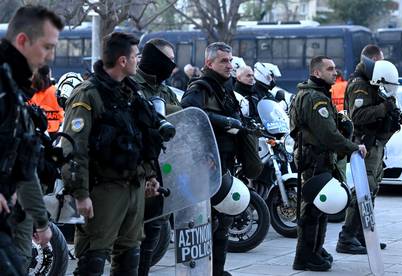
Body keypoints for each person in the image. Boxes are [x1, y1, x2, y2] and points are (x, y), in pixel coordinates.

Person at [61, 32, 165, 275]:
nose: (138, 61)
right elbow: (73, 147)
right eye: (135, 56)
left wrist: (150, 175)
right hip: (103, 191)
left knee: (130, 259)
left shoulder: (131, 93)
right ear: (122, 61)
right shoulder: (88, 94)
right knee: (93, 260)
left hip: (133, 187)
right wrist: (80, 193)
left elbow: (142, 135)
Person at [181, 42, 258, 276]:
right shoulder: (200, 87)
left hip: (225, 163)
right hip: (206, 165)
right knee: (207, 221)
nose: (229, 65)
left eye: (231, 60)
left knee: (223, 220)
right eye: (224, 61)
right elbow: (189, 116)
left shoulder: (225, 88)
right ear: (209, 63)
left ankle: (218, 271)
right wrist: (222, 125)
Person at [0, 5, 63, 273]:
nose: (50, 56)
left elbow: (24, 164)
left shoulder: (14, 90)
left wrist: (41, 221)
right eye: (46, 47)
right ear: (23, 41)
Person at [289, 55, 367, 271]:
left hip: (319, 157)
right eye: (330, 69)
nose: (335, 72)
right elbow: (328, 135)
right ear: (317, 73)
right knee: (313, 209)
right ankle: (304, 256)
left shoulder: (318, 94)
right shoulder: (315, 99)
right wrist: (353, 147)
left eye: (335, 68)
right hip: (314, 159)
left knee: (321, 206)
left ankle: (315, 249)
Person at [336, 45, 398, 254]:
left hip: (375, 146)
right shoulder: (359, 84)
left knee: (371, 192)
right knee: (362, 191)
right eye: (379, 61)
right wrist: (383, 109)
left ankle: (363, 235)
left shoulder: (373, 83)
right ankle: (346, 237)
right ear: (372, 59)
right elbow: (358, 116)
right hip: (365, 145)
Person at [131, 38, 181, 276]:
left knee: (153, 232)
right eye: (169, 60)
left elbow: (182, 122)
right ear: (155, 59)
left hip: (164, 172)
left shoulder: (167, 91)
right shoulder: (131, 85)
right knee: (130, 239)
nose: (172, 66)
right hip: (137, 170)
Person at [29, 64, 64, 138]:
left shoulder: (30, 91)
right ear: (48, 74)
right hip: (54, 130)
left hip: (35, 130)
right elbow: (61, 111)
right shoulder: (55, 91)